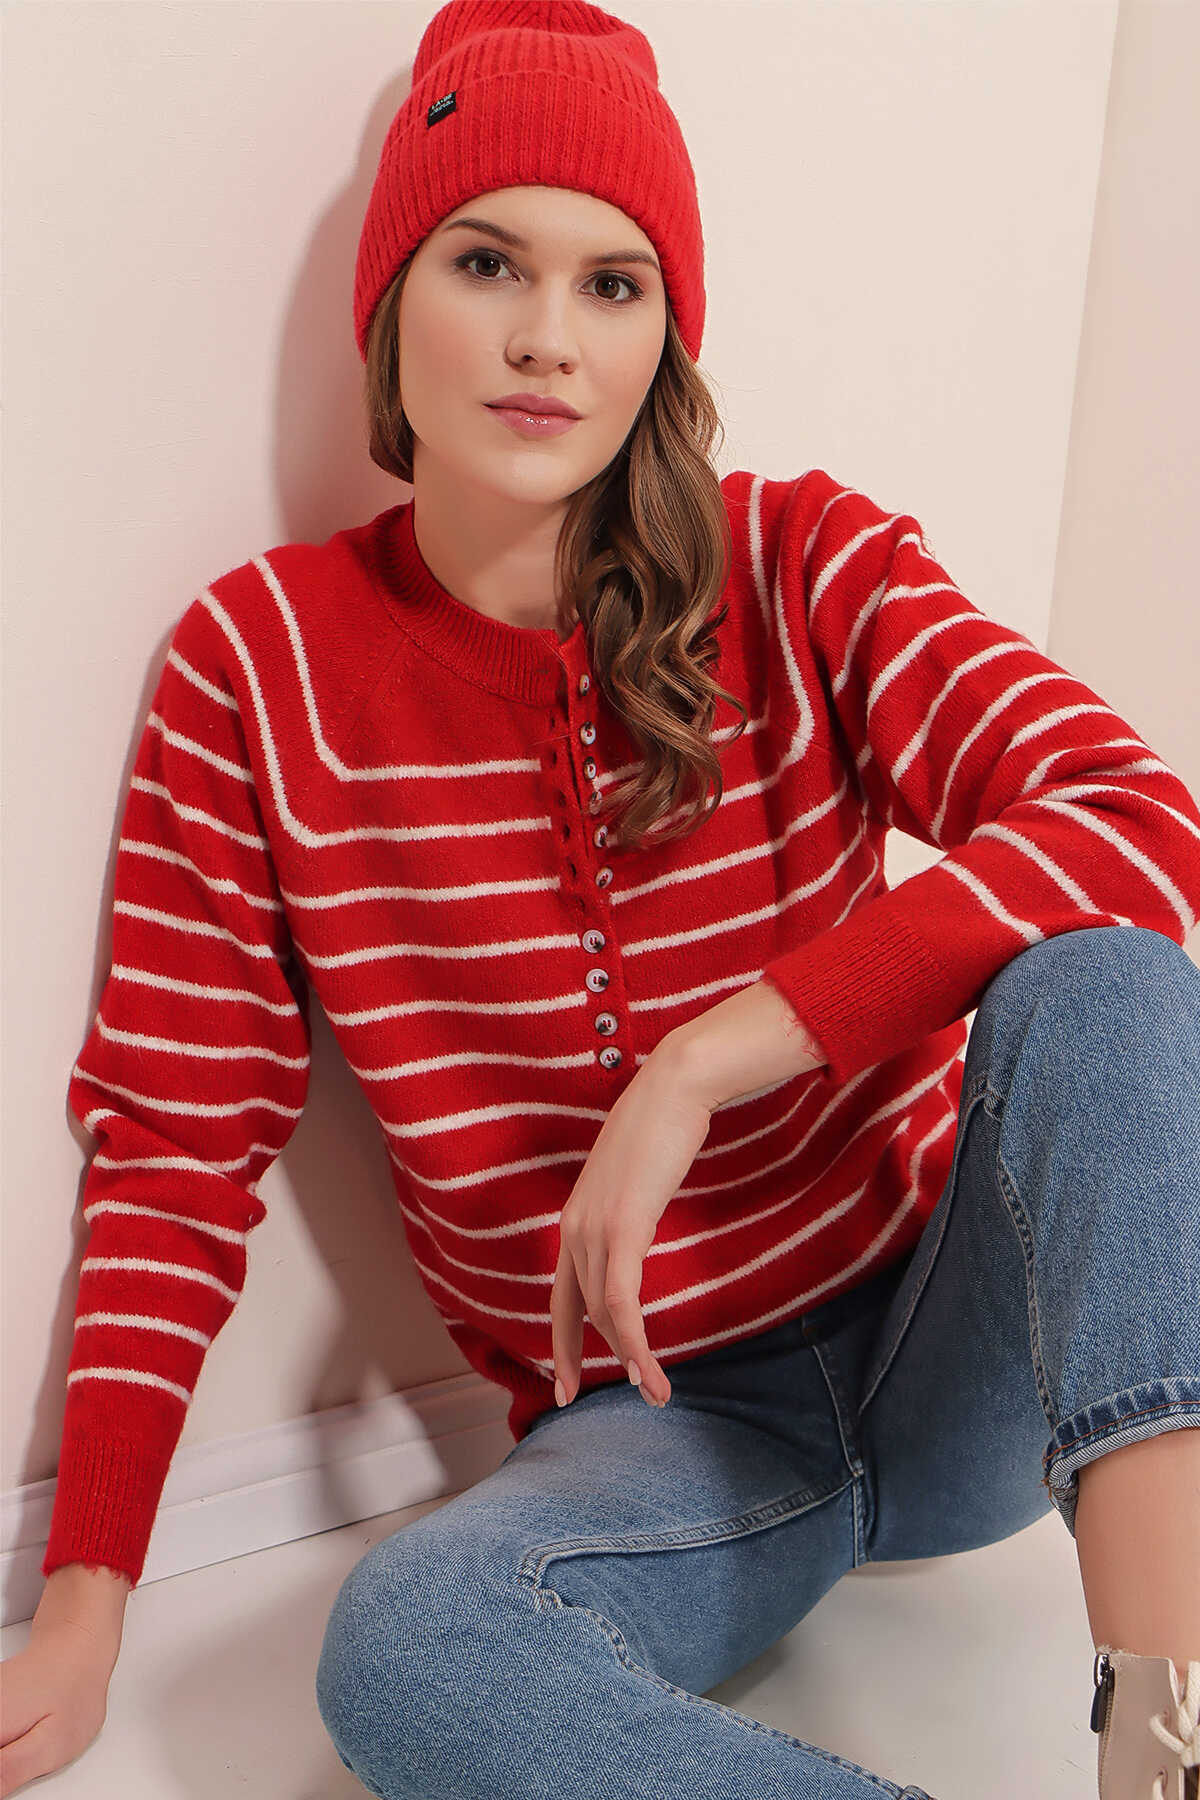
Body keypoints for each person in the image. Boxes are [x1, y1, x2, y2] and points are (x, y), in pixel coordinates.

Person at [3, 2, 1199, 1796]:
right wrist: (84, 1609)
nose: (547, 340)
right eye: (488, 262)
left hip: (961, 1337)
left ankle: (1170, 1734)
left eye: (612, 284)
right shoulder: (259, 674)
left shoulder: (801, 564)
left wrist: (712, 1058)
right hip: (667, 1440)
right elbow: (178, 1141)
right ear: (394, 296)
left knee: (1104, 976)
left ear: (664, 335)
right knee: (412, 1652)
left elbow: (1136, 815)